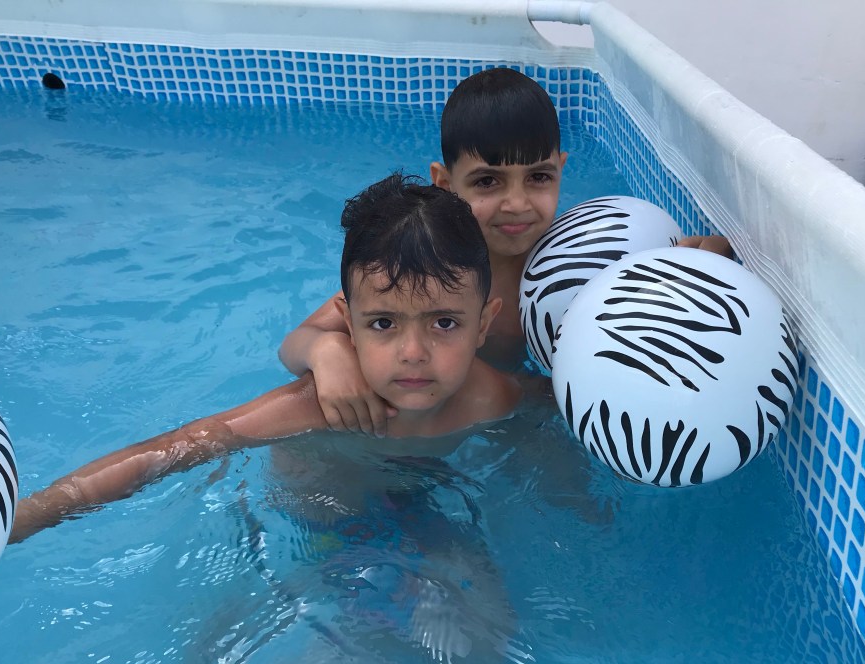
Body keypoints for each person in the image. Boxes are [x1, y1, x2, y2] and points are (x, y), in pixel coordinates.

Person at [10, 172, 522, 543]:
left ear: (483, 323)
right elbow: (177, 448)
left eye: (444, 323)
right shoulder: (319, 406)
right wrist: (36, 513)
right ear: (347, 323)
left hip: (420, 500)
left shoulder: (495, 398)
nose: (413, 354)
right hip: (318, 525)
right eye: (383, 324)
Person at [278, 67, 732, 436]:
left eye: (538, 177)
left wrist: (694, 274)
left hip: (516, 412)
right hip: (431, 410)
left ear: (561, 170)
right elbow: (296, 343)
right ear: (444, 183)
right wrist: (327, 351)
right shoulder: (428, 265)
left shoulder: (585, 266)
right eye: (488, 181)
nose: (517, 204)